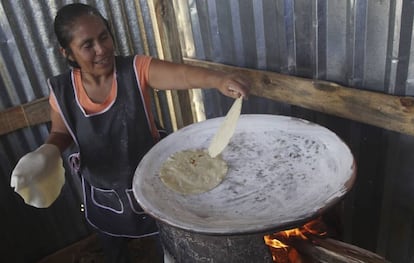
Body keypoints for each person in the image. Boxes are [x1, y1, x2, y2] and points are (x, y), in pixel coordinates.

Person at [10, 3, 249, 263]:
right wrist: (48, 151)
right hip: (104, 193)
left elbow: (183, 75)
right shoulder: (63, 91)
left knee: (166, 246)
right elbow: (61, 131)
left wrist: (218, 81)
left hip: (151, 186)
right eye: (87, 45)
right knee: (114, 250)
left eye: (104, 37)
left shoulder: (135, 70)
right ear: (67, 53)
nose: (101, 49)